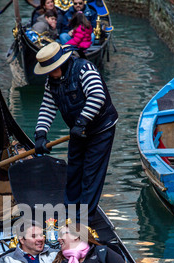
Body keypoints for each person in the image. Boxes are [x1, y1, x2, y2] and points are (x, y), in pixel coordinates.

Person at [33, 41, 118, 225]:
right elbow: (48, 107)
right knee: (73, 173)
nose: (48, 74)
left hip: (101, 128)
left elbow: (98, 95)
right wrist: (40, 134)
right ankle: (70, 216)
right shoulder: (52, 81)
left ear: (60, 64)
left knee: (90, 175)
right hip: (78, 131)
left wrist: (81, 122)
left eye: (50, 69)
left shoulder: (83, 69)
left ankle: (82, 223)